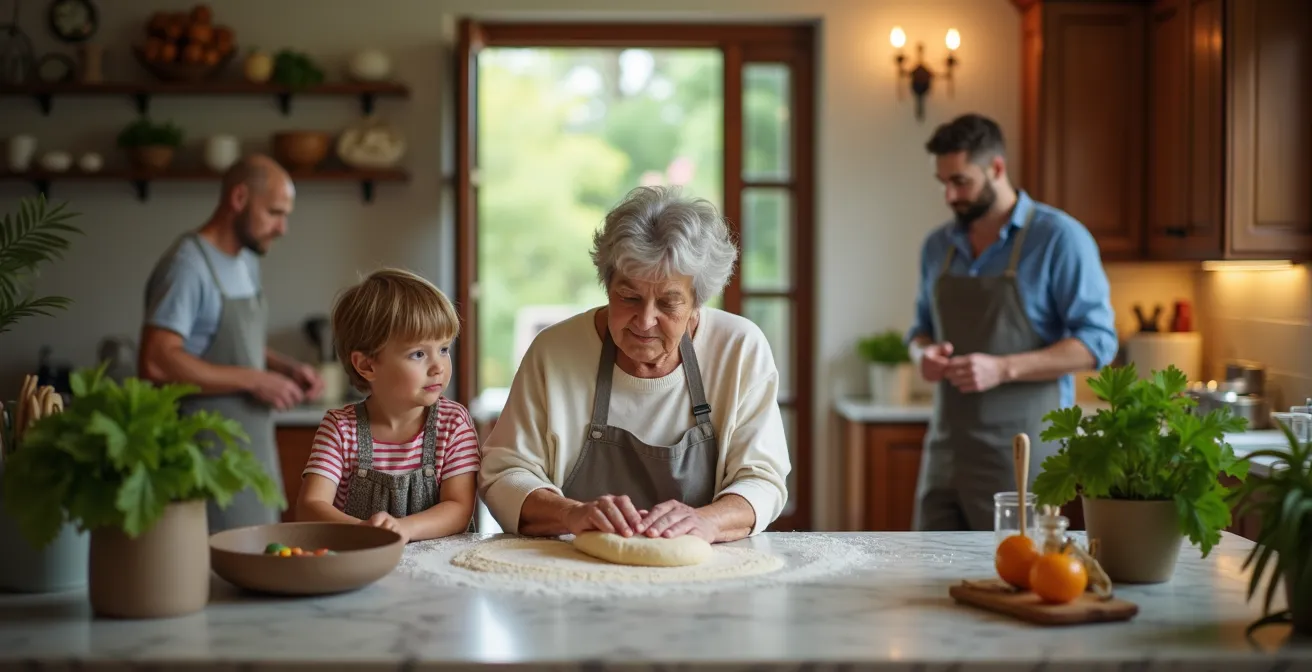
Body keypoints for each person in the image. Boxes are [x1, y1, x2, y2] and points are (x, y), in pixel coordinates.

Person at [478, 185, 792, 544]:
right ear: (607, 286)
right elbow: (504, 474)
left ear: (696, 303)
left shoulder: (739, 349)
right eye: (628, 297)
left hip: (705, 574)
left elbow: (762, 479)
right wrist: (570, 512)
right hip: (575, 571)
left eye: (669, 303)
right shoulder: (554, 352)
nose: (644, 321)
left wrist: (707, 521)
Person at [906, 113, 1117, 531]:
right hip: (946, 449)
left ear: (996, 169)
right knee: (928, 570)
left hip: (1022, 451)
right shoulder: (937, 246)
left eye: (960, 181)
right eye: (943, 183)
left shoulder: (1059, 238)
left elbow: (1099, 343)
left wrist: (1003, 368)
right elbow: (919, 332)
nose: (949, 195)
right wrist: (922, 356)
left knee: (1013, 572)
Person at [139, 154, 324, 533]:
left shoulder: (245, 260)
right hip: (206, 456)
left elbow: (225, 340)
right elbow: (157, 361)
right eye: (274, 212)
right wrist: (255, 380)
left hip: (252, 451)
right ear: (239, 198)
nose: (283, 228)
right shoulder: (187, 266)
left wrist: (281, 367)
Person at [295, 268, 479, 543]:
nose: (438, 367)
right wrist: (366, 533)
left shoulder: (453, 423)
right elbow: (310, 507)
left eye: (443, 349)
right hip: (362, 564)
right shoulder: (341, 428)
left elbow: (458, 509)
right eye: (418, 354)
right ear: (367, 365)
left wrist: (403, 529)